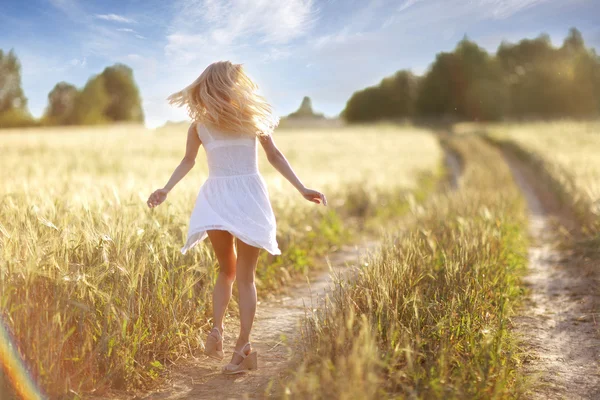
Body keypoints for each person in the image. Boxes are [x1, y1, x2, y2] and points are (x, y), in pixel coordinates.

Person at [146, 61, 327, 374]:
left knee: (225, 271)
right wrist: (301, 188)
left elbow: (187, 162)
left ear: (206, 86)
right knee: (245, 276)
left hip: (215, 198)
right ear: (233, 85)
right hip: (247, 197)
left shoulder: (199, 126)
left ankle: (217, 330)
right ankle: (243, 345)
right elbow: (274, 156)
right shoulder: (252, 119)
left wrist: (165, 189)